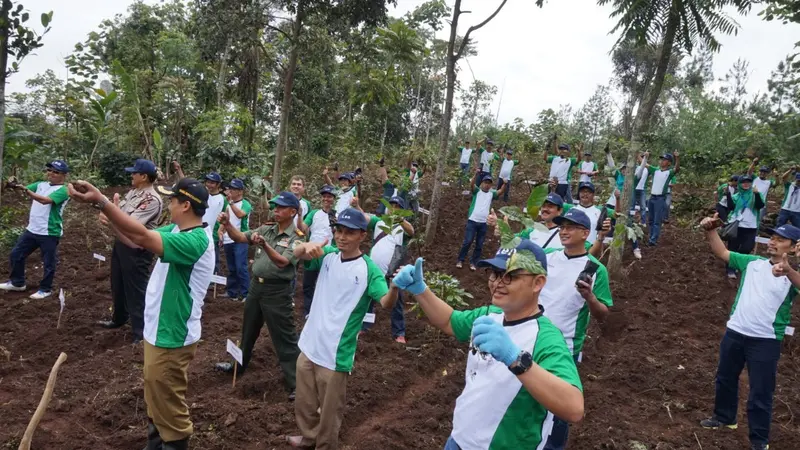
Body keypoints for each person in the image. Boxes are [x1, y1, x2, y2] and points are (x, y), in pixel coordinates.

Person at [68, 177, 214, 450]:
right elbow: (137, 242)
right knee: (155, 394)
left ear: (185, 205)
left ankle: (172, 444)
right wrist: (109, 216)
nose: (168, 204)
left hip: (172, 334)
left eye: (171, 200)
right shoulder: (178, 230)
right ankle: (155, 444)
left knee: (169, 404)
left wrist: (101, 202)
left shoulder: (196, 241)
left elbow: (142, 236)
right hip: (159, 330)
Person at [393, 245, 584, 449]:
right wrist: (421, 290)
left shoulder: (546, 339)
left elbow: (573, 408)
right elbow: (450, 321)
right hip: (459, 440)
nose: (498, 283)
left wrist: (516, 359)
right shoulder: (490, 315)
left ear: (538, 283)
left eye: (509, 275)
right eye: (494, 273)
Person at [288, 208, 400, 449]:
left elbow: (384, 303)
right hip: (310, 343)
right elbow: (295, 254)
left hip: (335, 352)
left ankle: (325, 445)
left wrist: (395, 288)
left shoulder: (369, 270)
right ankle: (309, 437)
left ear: (362, 235)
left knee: (330, 411)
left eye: (349, 233)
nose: (342, 237)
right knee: (304, 401)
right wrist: (305, 246)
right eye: (339, 230)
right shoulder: (327, 255)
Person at [697, 216, 800, 450]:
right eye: (772, 237)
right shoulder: (752, 262)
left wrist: (788, 270)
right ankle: (725, 418)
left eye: (780, 239)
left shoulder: (792, 276)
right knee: (725, 377)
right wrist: (711, 231)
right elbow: (723, 253)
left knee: (761, 391)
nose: (772, 242)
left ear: (793, 247)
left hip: (765, 341)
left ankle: (759, 440)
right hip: (736, 331)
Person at [215, 191, 305, 400]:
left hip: (277, 292)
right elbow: (238, 237)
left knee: (285, 337)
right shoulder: (266, 228)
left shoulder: (297, 237)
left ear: (293, 212)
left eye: (281, 208)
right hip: (256, 288)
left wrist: (264, 245)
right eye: (275, 207)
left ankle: (296, 383)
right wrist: (228, 224)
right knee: (248, 330)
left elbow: (283, 262)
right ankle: (237, 366)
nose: (276, 210)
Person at [537, 208, 613, 450]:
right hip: (532, 337)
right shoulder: (547, 257)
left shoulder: (594, 269)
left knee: (559, 405)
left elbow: (604, 314)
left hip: (565, 346)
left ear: (585, 233)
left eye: (570, 227)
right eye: (562, 226)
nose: (564, 231)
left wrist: (589, 297)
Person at [96, 159, 163, 344]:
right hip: (121, 243)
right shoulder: (134, 192)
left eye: (134, 173)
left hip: (137, 249)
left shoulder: (151, 199)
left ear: (144, 176)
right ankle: (119, 318)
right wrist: (111, 211)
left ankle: (141, 332)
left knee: (136, 290)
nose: (131, 175)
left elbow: (131, 225)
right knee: (117, 284)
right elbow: (119, 213)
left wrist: (109, 215)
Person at [1, 160, 71, 299]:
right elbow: (24, 188)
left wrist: (26, 190)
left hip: (49, 232)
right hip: (32, 229)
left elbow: (45, 200)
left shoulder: (64, 190)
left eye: (55, 172)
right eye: (49, 170)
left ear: (64, 175)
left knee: (48, 262)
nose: (51, 173)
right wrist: (13, 185)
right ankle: (17, 282)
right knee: (16, 254)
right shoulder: (40, 184)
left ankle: (45, 289)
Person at [358, 196, 415, 343]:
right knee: (368, 299)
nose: (393, 209)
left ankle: (399, 332)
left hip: (393, 271)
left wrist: (400, 219)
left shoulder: (403, 227)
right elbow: (364, 218)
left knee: (397, 302)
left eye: (397, 207)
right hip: (374, 270)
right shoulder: (378, 222)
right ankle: (365, 327)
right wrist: (357, 206)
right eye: (391, 206)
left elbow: (412, 231)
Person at [172, 162, 227, 273]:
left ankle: (212, 280)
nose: (209, 185)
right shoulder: (203, 194)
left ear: (218, 184)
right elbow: (188, 187)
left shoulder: (222, 199)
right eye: (208, 182)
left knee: (213, 257)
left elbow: (225, 216)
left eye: (212, 183)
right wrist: (179, 170)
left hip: (212, 233)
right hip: (197, 229)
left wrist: (221, 231)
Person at [457, 171, 507, 271]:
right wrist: (475, 174)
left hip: (484, 223)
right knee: (467, 241)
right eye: (485, 182)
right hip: (472, 220)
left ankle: (473, 262)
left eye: (489, 183)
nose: (487, 185)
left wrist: (505, 183)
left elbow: (501, 191)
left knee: (479, 244)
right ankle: (460, 260)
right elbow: (471, 184)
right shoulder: (477, 191)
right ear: (482, 183)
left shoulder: (491, 194)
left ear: (490, 185)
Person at [301, 185, 337, 318]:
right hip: (312, 250)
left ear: (334, 199)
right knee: (308, 283)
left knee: (327, 283)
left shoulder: (337, 214)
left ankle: (325, 311)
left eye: (329, 197)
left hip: (329, 252)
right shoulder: (314, 213)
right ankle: (308, 311)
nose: (327, 199)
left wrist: (336, 225)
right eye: (325, 196)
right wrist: (299, 215)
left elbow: (340, 235)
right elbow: (303, 227)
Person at [724, 175, 766, 279]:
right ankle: (730, 269)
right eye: (743, 182)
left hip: (751, 226)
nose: (746, 184)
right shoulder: (736, 196)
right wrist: (728, 194)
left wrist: (756, 194)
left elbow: (759, 206)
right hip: (737, 225)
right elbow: (730, 207)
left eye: (748, 182)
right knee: (732, 248)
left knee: (747, 247)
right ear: (739, 184)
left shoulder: (756, 194)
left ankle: (737, 261)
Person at [220, 178, 252, 301]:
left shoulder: (246, 204)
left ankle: (245, 293)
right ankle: (232, 292)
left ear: (240, 192)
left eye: (233, 189)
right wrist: (221, 230)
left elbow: (240, 214)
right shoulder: (229, 205)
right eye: (230, 189)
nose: (230, 191)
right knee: (231, 267)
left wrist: (231, 203)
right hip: (229, 239)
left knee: (240, 266)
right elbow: (226, 219)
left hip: (241, 238)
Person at [645, 151, 680, 246]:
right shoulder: (655, 170)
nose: (662, 161)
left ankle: (653, 240)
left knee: (657, 220)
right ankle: (651, 238)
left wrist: (677, 158)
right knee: (651, 220)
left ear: (669, 163)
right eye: (661, 159)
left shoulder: (669, 173)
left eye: (664, 160)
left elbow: (677, 168)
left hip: (660, 199)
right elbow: (644, 164)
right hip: (652, 197)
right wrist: (643, 156)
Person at [632, 151, 651, 225]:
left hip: (642, 189)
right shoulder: (635, 168)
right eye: (642, 157)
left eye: (644, 158)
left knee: (643, 206)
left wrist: (643, 157)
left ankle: (643, 221)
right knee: (632, 205)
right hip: (634, 188)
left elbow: (644, 164)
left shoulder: (648, 169)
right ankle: (631, 221)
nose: (643, 159)